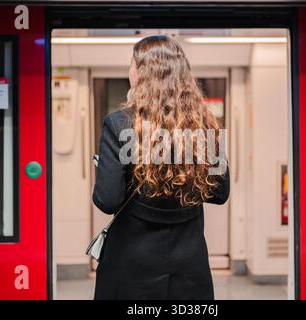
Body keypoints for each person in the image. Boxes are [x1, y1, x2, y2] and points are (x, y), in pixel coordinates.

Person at [92, 34, 230, 300]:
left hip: (131, 267)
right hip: (189, 268)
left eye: (131, 63)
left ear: (142, 72)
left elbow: (107, 200)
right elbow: (220, 193)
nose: (128, 69)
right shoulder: (207, 126)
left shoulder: (119, 124)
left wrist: (107, 171)